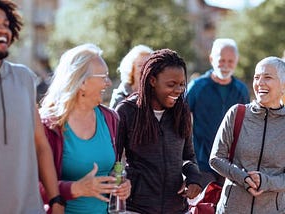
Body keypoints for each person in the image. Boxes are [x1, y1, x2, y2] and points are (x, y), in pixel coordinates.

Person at [0, 1, 63, 213]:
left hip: (28, 208)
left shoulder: (24, 78)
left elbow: (41, 145)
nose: (2, 28)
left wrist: (56, 199)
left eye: (6, 24)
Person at [38, 43, 131, 214]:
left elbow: (117, 167)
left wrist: (123, 183)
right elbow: (31, 186)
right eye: (104, 76)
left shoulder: (110, 119)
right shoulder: (48, 124)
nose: (109, 83)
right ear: (81, 82)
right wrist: (75, 188)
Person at [116, 48, 202, 214]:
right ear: (152, 80)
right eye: (171, 84)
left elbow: (188, 156)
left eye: (182, 84)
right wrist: (121, 181)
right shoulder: (127, 111)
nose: (178, 90)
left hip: (176, 208)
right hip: (136, 208)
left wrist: (194, 178)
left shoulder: (182, 112)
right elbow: (115, 159)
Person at [209, 56, 285, 214]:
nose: (260, 83)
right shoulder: (237, 113)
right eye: (257, 77)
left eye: (268, 77)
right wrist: (244, 178)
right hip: (231, 209)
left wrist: (266, 182)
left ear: (283, 86)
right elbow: (216, 158)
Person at [186, 38, 250, 188]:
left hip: (231, 165)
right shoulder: (197, 86)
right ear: (211, 59)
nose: (226, 65)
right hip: (202, 162)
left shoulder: (241, 90)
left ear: (236, 60)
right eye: (221, 60)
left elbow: (247, 125)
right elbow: (180, 117)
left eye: (230, 61)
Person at [109, 44, 153, 109]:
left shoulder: (157, 93)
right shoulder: (120, 96)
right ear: (131, 69)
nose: (144, 69)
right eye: (140, 65)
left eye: (148, 65)